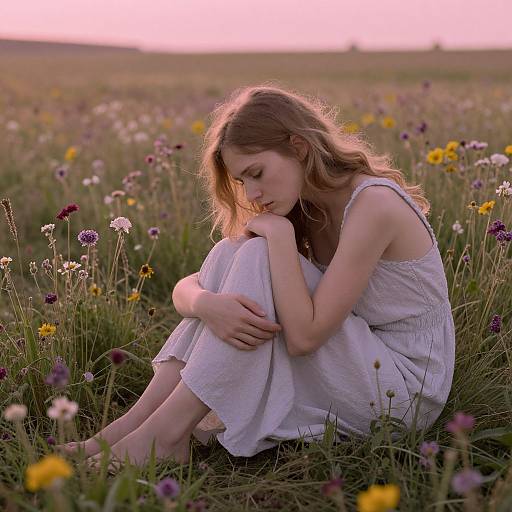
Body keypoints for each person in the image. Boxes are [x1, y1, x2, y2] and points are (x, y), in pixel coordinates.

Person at [58, 84, 455, 469]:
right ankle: (134, 426)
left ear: (298, 147)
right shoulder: (307, 204)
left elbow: (304, 338)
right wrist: (207, 306)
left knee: (255, 252)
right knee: (235, 251)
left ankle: (165, 436)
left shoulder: (374, 204)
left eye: (257, 173)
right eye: (242, 181)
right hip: (361, 357)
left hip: (403, 392)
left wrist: (280, 237)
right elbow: (192, 285)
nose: (251, 194)